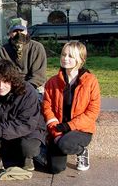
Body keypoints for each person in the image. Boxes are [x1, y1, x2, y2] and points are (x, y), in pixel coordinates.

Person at [0, 59, 46, 179]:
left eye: (6, 82)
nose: (1, 87)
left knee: (28, 149)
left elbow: (26, 124)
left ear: (13, 81)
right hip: (3, 126)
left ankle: (28, 157)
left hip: (30, 129)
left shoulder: (28, 92)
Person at [43, 42, 101, 174]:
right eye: (63, 54)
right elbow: (47, 107)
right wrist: (56, 132)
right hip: (57, 128)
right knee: (55, 168)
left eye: (70, 56)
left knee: (65, 144)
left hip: (80, 129)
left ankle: (81, 151)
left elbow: (92, 112)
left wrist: (68, 126)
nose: (65, 58)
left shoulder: (91, 81)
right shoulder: (52, 82)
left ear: (80, 59)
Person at [0, 17, 47, 97]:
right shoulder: (4, 50)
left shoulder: (37, 47)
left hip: (34, 87)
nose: (19, 33)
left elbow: (38, 76)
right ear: (10, 33)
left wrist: (23, 89)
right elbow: (3, 73)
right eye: (15, 31)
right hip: (10, 87)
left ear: (26, 31)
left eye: (21, 30)